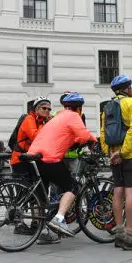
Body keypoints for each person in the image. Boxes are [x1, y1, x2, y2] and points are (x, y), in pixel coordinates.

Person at [28, 93, 97, 237]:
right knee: (72, 187)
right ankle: (59, 218)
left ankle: (45, 233)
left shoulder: (58, 116)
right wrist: (93, 140)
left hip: (35, 156)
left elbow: (68, 136)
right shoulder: (73, 116)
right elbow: (83, 136)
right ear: (79, 108)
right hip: (50, 158)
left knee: (43, 198)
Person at [100, 75, 132, 250]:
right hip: (131, 154)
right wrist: (124, 151)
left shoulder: (108, 106)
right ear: (127, 88)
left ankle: (119, 233)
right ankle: (130, 234)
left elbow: (103, 132)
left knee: (118, 191)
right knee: (131, 193)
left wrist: (110, 152)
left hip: (114, 154)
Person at [10, 98, 50, 237]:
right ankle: (18, 224)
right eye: (44, 108)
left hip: (30, 160)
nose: (47, 111)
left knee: (35, 192)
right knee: (22, 192)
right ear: (36, 109)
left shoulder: (40, 122)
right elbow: (35, 136)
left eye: (49, 109)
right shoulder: (29, 119)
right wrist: (48, 125)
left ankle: (35, 222)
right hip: (19, 160)